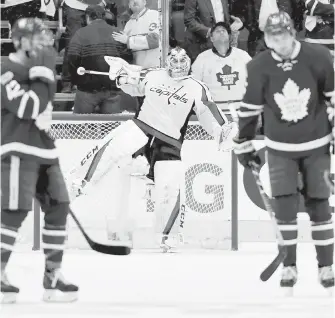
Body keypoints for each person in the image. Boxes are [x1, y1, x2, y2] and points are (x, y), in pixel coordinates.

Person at [70, 47, 235, 252]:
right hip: (141, 128)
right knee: (111, 146)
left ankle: (169, 236)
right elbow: (132, 84)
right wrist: (121, 77)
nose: (177, 65)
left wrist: (223, 131)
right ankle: (79, 182)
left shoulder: (196, 88)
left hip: (170, 142)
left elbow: (209, 111)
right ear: (167, 62)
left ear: (188, 63)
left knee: (171, 189)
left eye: (181, 61)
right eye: (173, 61)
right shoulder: (153, 74)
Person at [233, 11, 334, 294]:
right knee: (285, 205)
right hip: (280, 149)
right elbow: (250, 108)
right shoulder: (258, 66)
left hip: (317, 146)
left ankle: (326, 265)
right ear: (266, 37)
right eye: (272, 36)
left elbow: (333, 97)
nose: (278, 41)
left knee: (319, 204)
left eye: (282, 35)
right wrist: (244, 141)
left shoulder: (319, 57)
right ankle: (290, 265)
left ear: (293, 33)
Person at [0, 18, 78, 303]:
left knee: (59, 205)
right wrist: (45, 73)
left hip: (45, 150)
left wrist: (42, 74)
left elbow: (43, 102)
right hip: (17, 148)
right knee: (14, 210)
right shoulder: (5, 69)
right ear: (19, 41)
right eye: (36, 39)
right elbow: (30, 106)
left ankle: (53, 275)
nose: (44, 45)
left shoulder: (36, 69)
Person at [68, 5, 133, 114]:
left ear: (87, 17)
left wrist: (76, 80)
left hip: (87, 89)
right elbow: (127, 59)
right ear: (104, 16)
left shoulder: (80, 34)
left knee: (81, 126)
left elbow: (72, 59)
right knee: (110, 128)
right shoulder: (117, 33)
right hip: (112, 88)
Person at [192, 22, 252, 113]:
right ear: (211, 38)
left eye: (224, 31)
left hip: (242, 114)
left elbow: (255, 83)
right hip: (215, 116)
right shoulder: (202, 59)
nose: (221, 32)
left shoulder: (243, 56)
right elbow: (194, 88)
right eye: (217, 31)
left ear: (229, 36)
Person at [232, 0, 305, 57]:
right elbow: (242, 9)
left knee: (285, 68)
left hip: (284, 36)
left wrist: (293, 30)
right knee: (259, 68)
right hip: (258, 37)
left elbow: (299, 8)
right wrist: (241, 20)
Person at [112, 0, 160, 68]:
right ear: (129, 5)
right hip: (136, 70)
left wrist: (128, 41)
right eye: (131, 0)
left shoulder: (154, 15)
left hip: (155, 68)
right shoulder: (129, 24)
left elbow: (155, 40)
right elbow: (126, 49)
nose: (134, 1)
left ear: (144, 2)